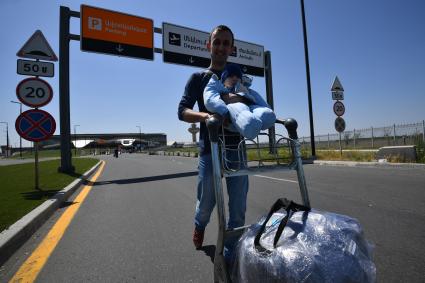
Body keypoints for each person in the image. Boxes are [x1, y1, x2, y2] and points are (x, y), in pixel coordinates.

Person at [177, 25, 249, 263]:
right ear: (209, 45)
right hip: (210, 151)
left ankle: (228, 256)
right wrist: (206, 117)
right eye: (217, 42)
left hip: (236, 151)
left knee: (238, 209)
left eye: (226, 43)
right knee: (206, 204)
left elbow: (249, 106)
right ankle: (199, 225)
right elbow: (182, 111)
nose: (221, 47)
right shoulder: (198, 78)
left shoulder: (237, 78)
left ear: (232, 48)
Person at [203, 63, 276, 139]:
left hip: (250, 109)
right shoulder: (222, 90)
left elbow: (259, 100)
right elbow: (211, 99)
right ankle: (249, 123)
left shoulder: (247, 90)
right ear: (223, 80)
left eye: (238, 76)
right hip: (233, 115)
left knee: (266, 114)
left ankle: (264, 117)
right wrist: (224, 111)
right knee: (238, 107)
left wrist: (243, 98)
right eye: (230, 76)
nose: (235, 78)